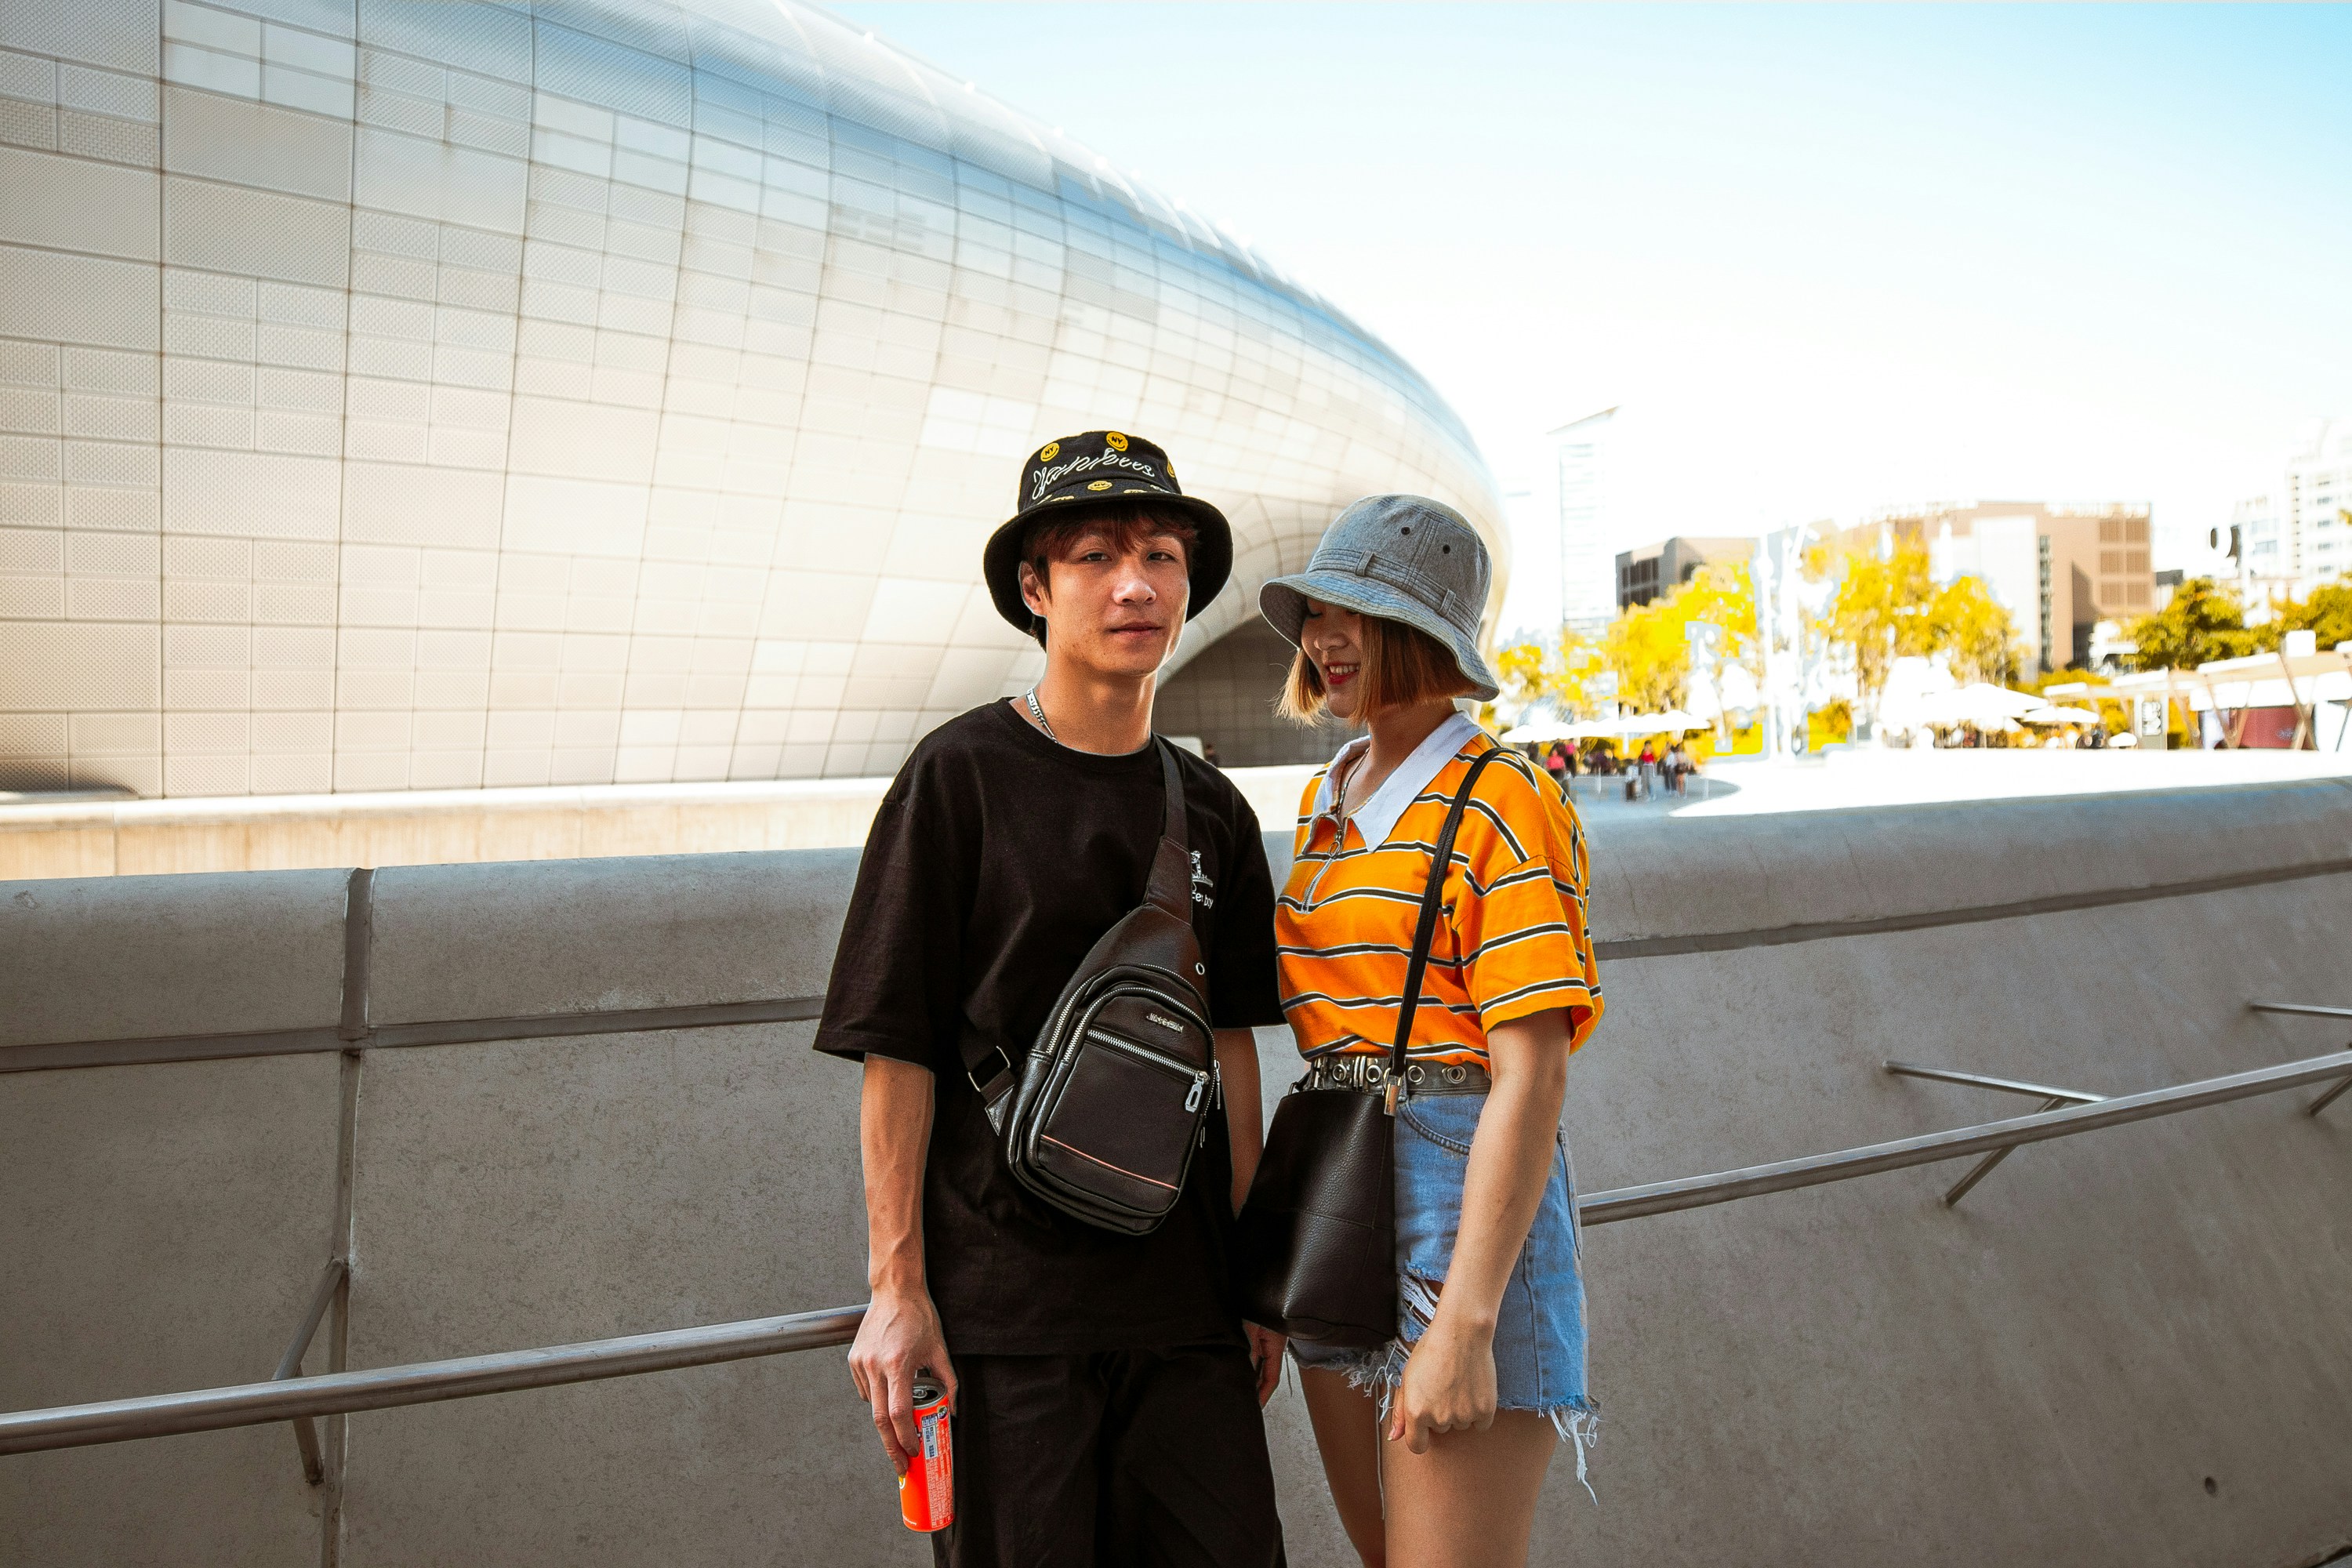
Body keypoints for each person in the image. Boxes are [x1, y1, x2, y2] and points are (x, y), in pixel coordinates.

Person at [815, 431, 1288, 1567]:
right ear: (1035, 589)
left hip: (1187, 1323)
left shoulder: (1212, 809)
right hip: (1005, 1324)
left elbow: (1230, 1058)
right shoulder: (957, 777)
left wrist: (1256, 1283)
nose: (1137, 584)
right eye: (1094, 555)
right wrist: (898, 1294)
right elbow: (900, 1050)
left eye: (1163, 555)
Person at [1258, 495, 1606, 1568]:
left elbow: (1532, 1080)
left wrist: (1465, 1322)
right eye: (1315, 612)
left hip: (1457, 1212)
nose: (1323, 637)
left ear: (1424, 632)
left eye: (1353, 613)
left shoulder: (1504, 797)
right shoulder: (1333, 794)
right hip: (1335, 1194)